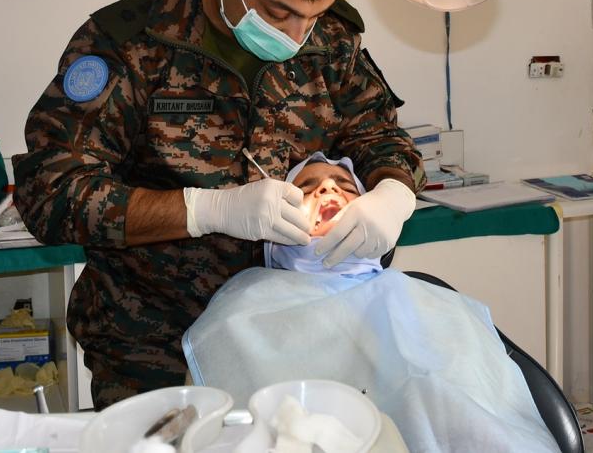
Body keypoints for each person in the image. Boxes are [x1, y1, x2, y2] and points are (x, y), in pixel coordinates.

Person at [13, 0, 424, 407]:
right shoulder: (129, 44)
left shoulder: (331, 38)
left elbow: (379, 134)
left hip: (305, 331)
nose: (300, 35)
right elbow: (50, 192)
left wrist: (393, 194)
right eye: (280, 13)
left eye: (315, 14)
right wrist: (203, 210)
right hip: (158, 347)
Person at [182, 153, 562, 453]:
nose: (328, 190)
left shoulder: (427, 301)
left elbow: (484, 421)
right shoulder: (242, 311)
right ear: (272, 233)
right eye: (307, 187)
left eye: (346, 186)